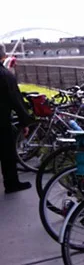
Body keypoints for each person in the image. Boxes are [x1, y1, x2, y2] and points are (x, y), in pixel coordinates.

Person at [0, 44, 34, 194]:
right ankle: (11, 184)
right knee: (7, 153)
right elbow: (16, 100)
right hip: (1, 121)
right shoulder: (5, 75)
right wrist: (25, 122)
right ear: (3, 56)